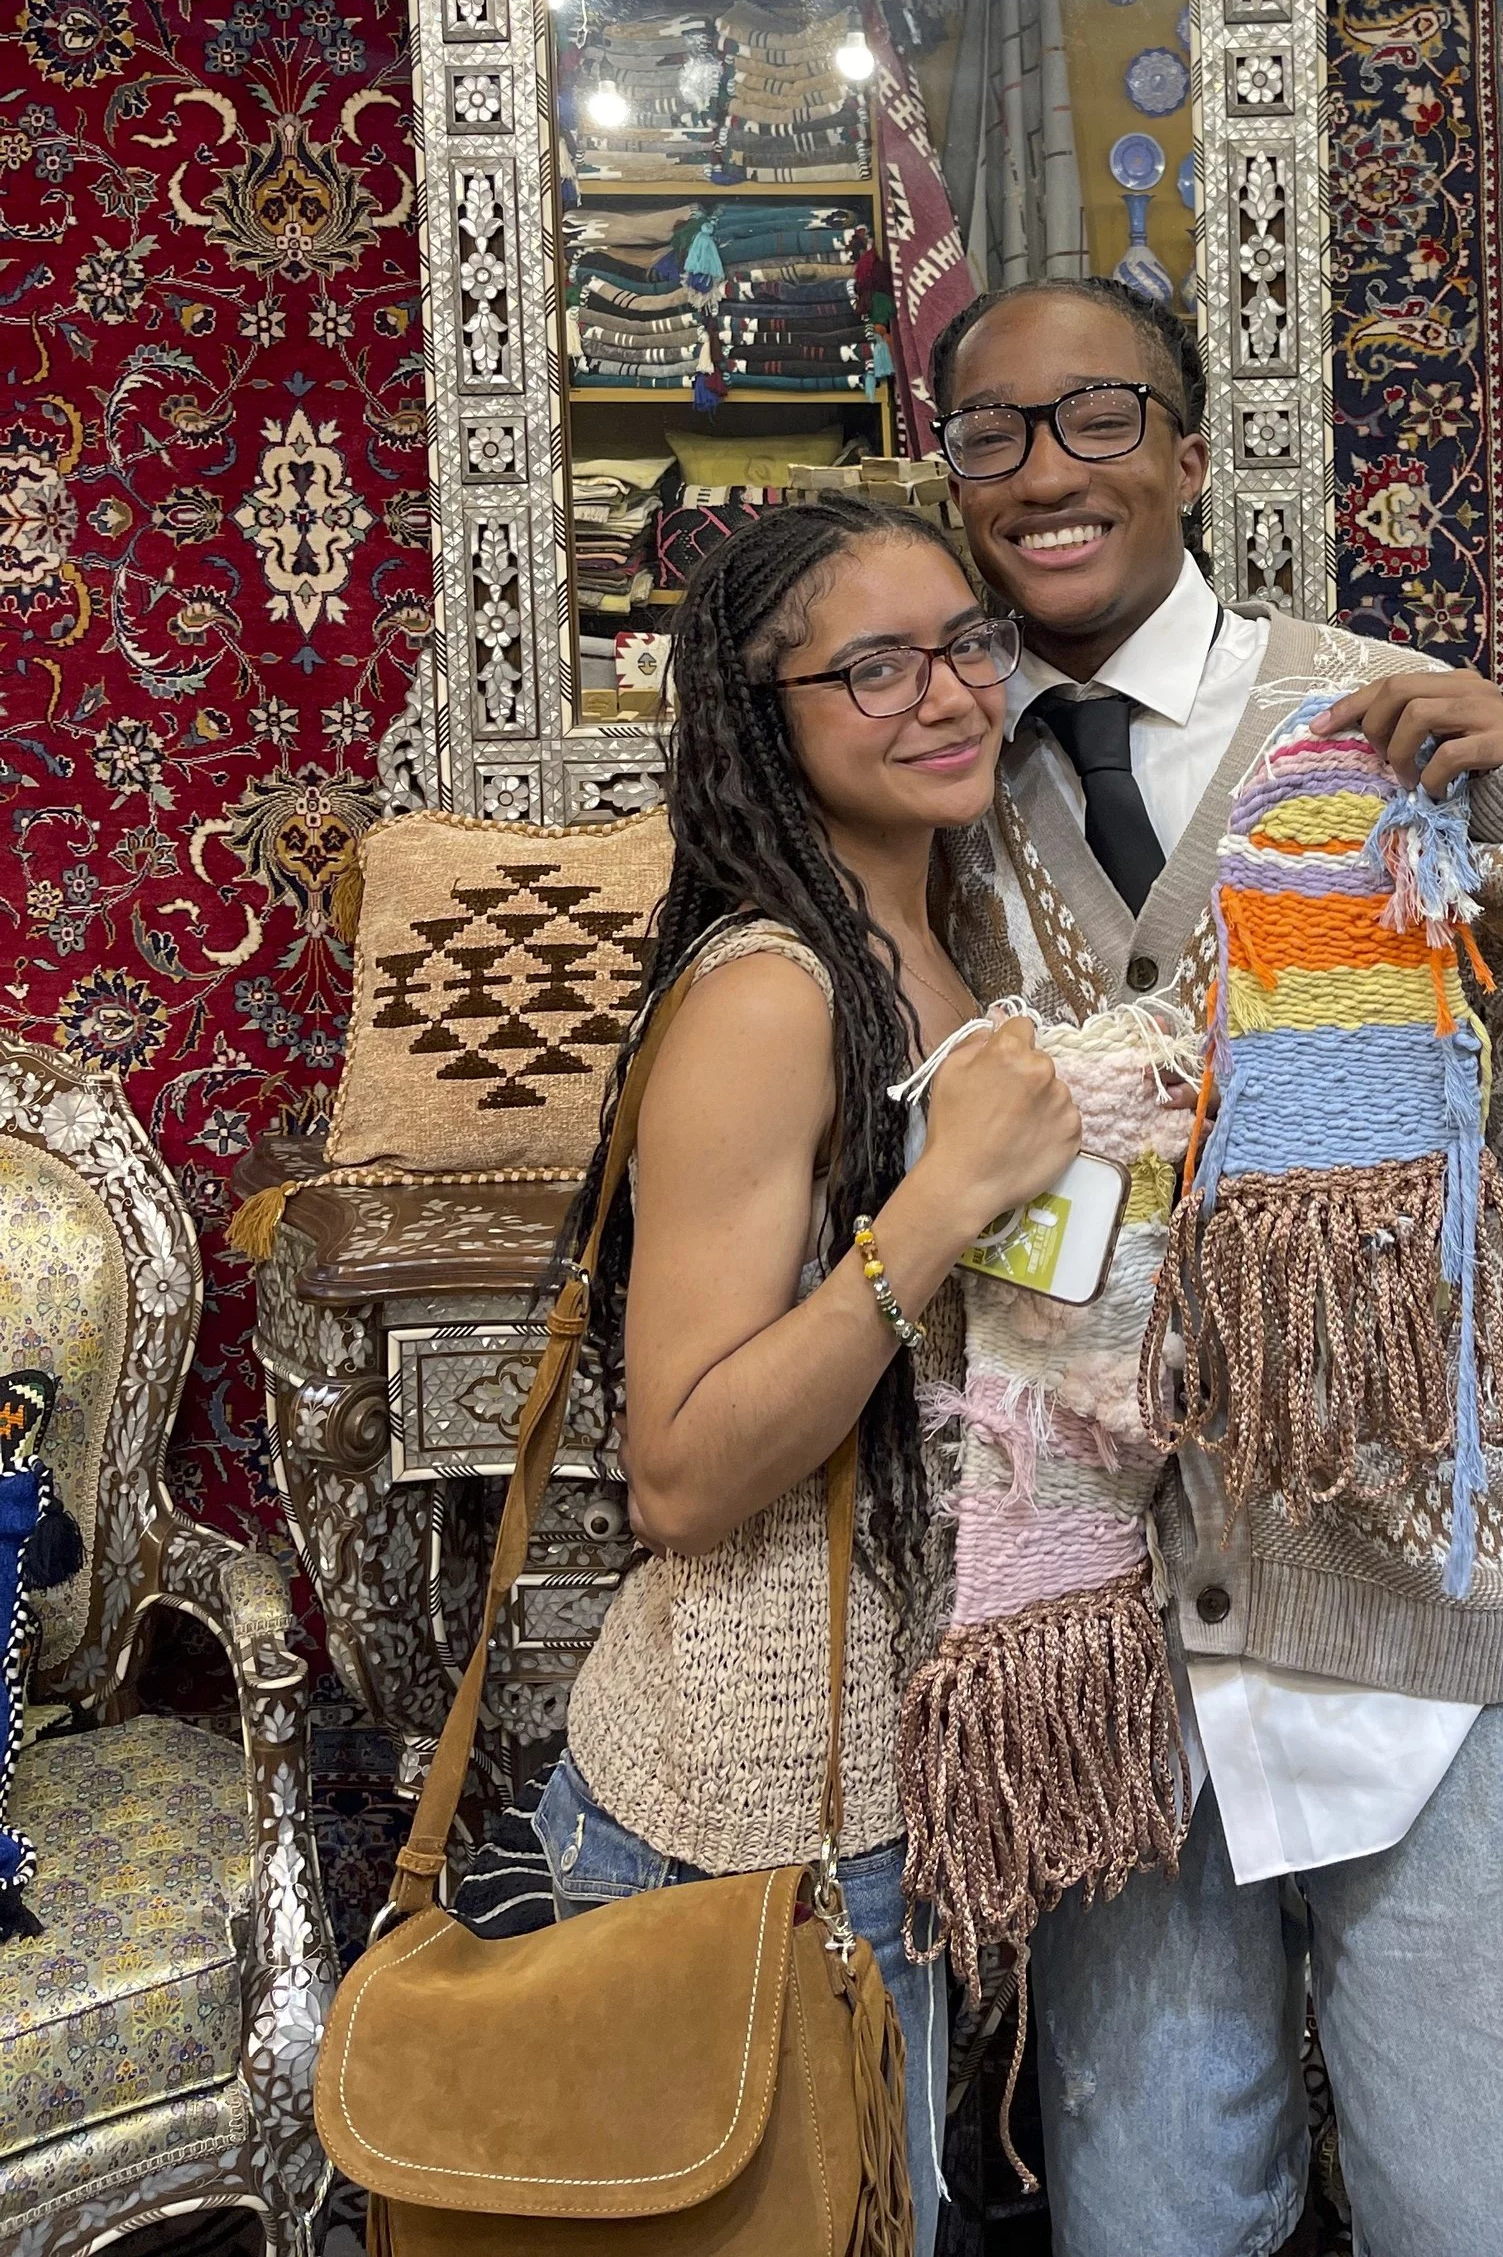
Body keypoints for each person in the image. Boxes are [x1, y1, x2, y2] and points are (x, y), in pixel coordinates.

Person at [926, 278, 1503, 2257]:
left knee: (1501, 2207)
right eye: (990, 433)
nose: (1042, 472)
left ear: (1192, 456)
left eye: (1095, 418)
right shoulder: (937, 778)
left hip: (1410, 1595)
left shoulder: (1378, 718)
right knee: (1148, 2213)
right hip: (1111, 1640)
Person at [478, 496, 1085, 2257]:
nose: (947, 693)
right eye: (870, 667)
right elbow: (674, 1472)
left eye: (965, 643)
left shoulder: (941, 934)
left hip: (878, 1796)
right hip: (749, 1822)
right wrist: (947, 1202)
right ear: (766, 715)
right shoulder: (773, 989)